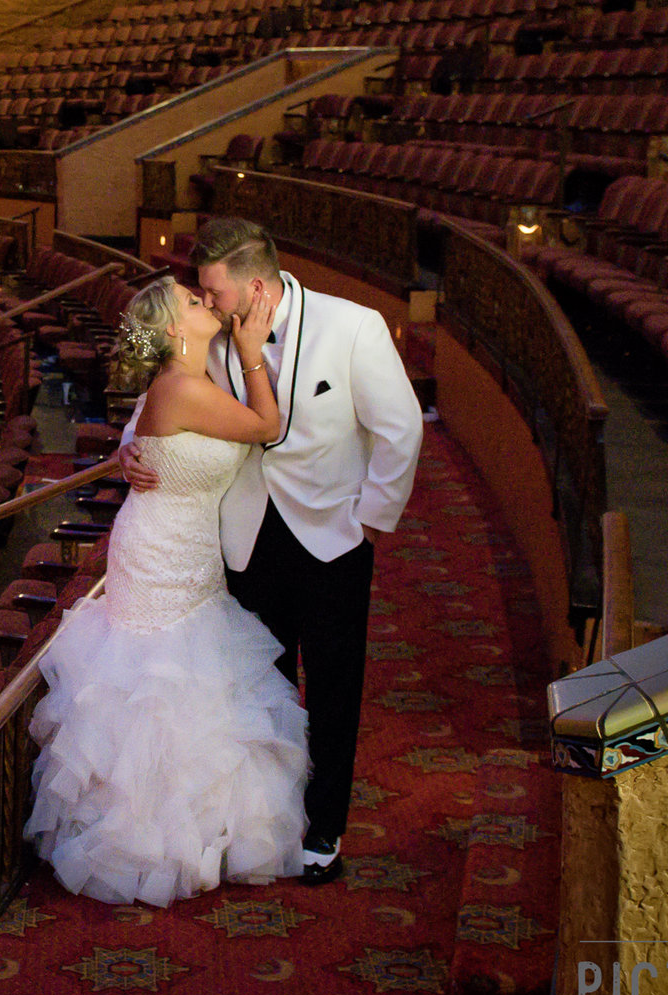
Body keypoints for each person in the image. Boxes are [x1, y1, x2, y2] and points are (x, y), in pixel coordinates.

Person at [117, 218, 423, 885]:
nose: (206, 301)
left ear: (255, 285)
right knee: (260, 686)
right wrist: (130, 449)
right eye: (198, 293)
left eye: (211, 289)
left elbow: (400, 430)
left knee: (335, 685)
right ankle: (270, 821)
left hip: (335, 536)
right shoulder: (213, 338)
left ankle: (324, 829)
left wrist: (371, 520)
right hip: (244, 534)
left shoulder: (355, 326)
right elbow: (152, 388)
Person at [23, 274, 311, 904]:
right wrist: (255, 348)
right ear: (175, 330)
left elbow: (141, 433)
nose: (203, 300)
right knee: (156, 682)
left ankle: (197, 827)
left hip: (195, 553)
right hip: (156, 553)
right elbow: (267, 425)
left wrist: (126, 450)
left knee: (192, 678)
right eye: (189, 299)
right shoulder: (180, 387)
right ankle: (143, 839)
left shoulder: (189, 385)